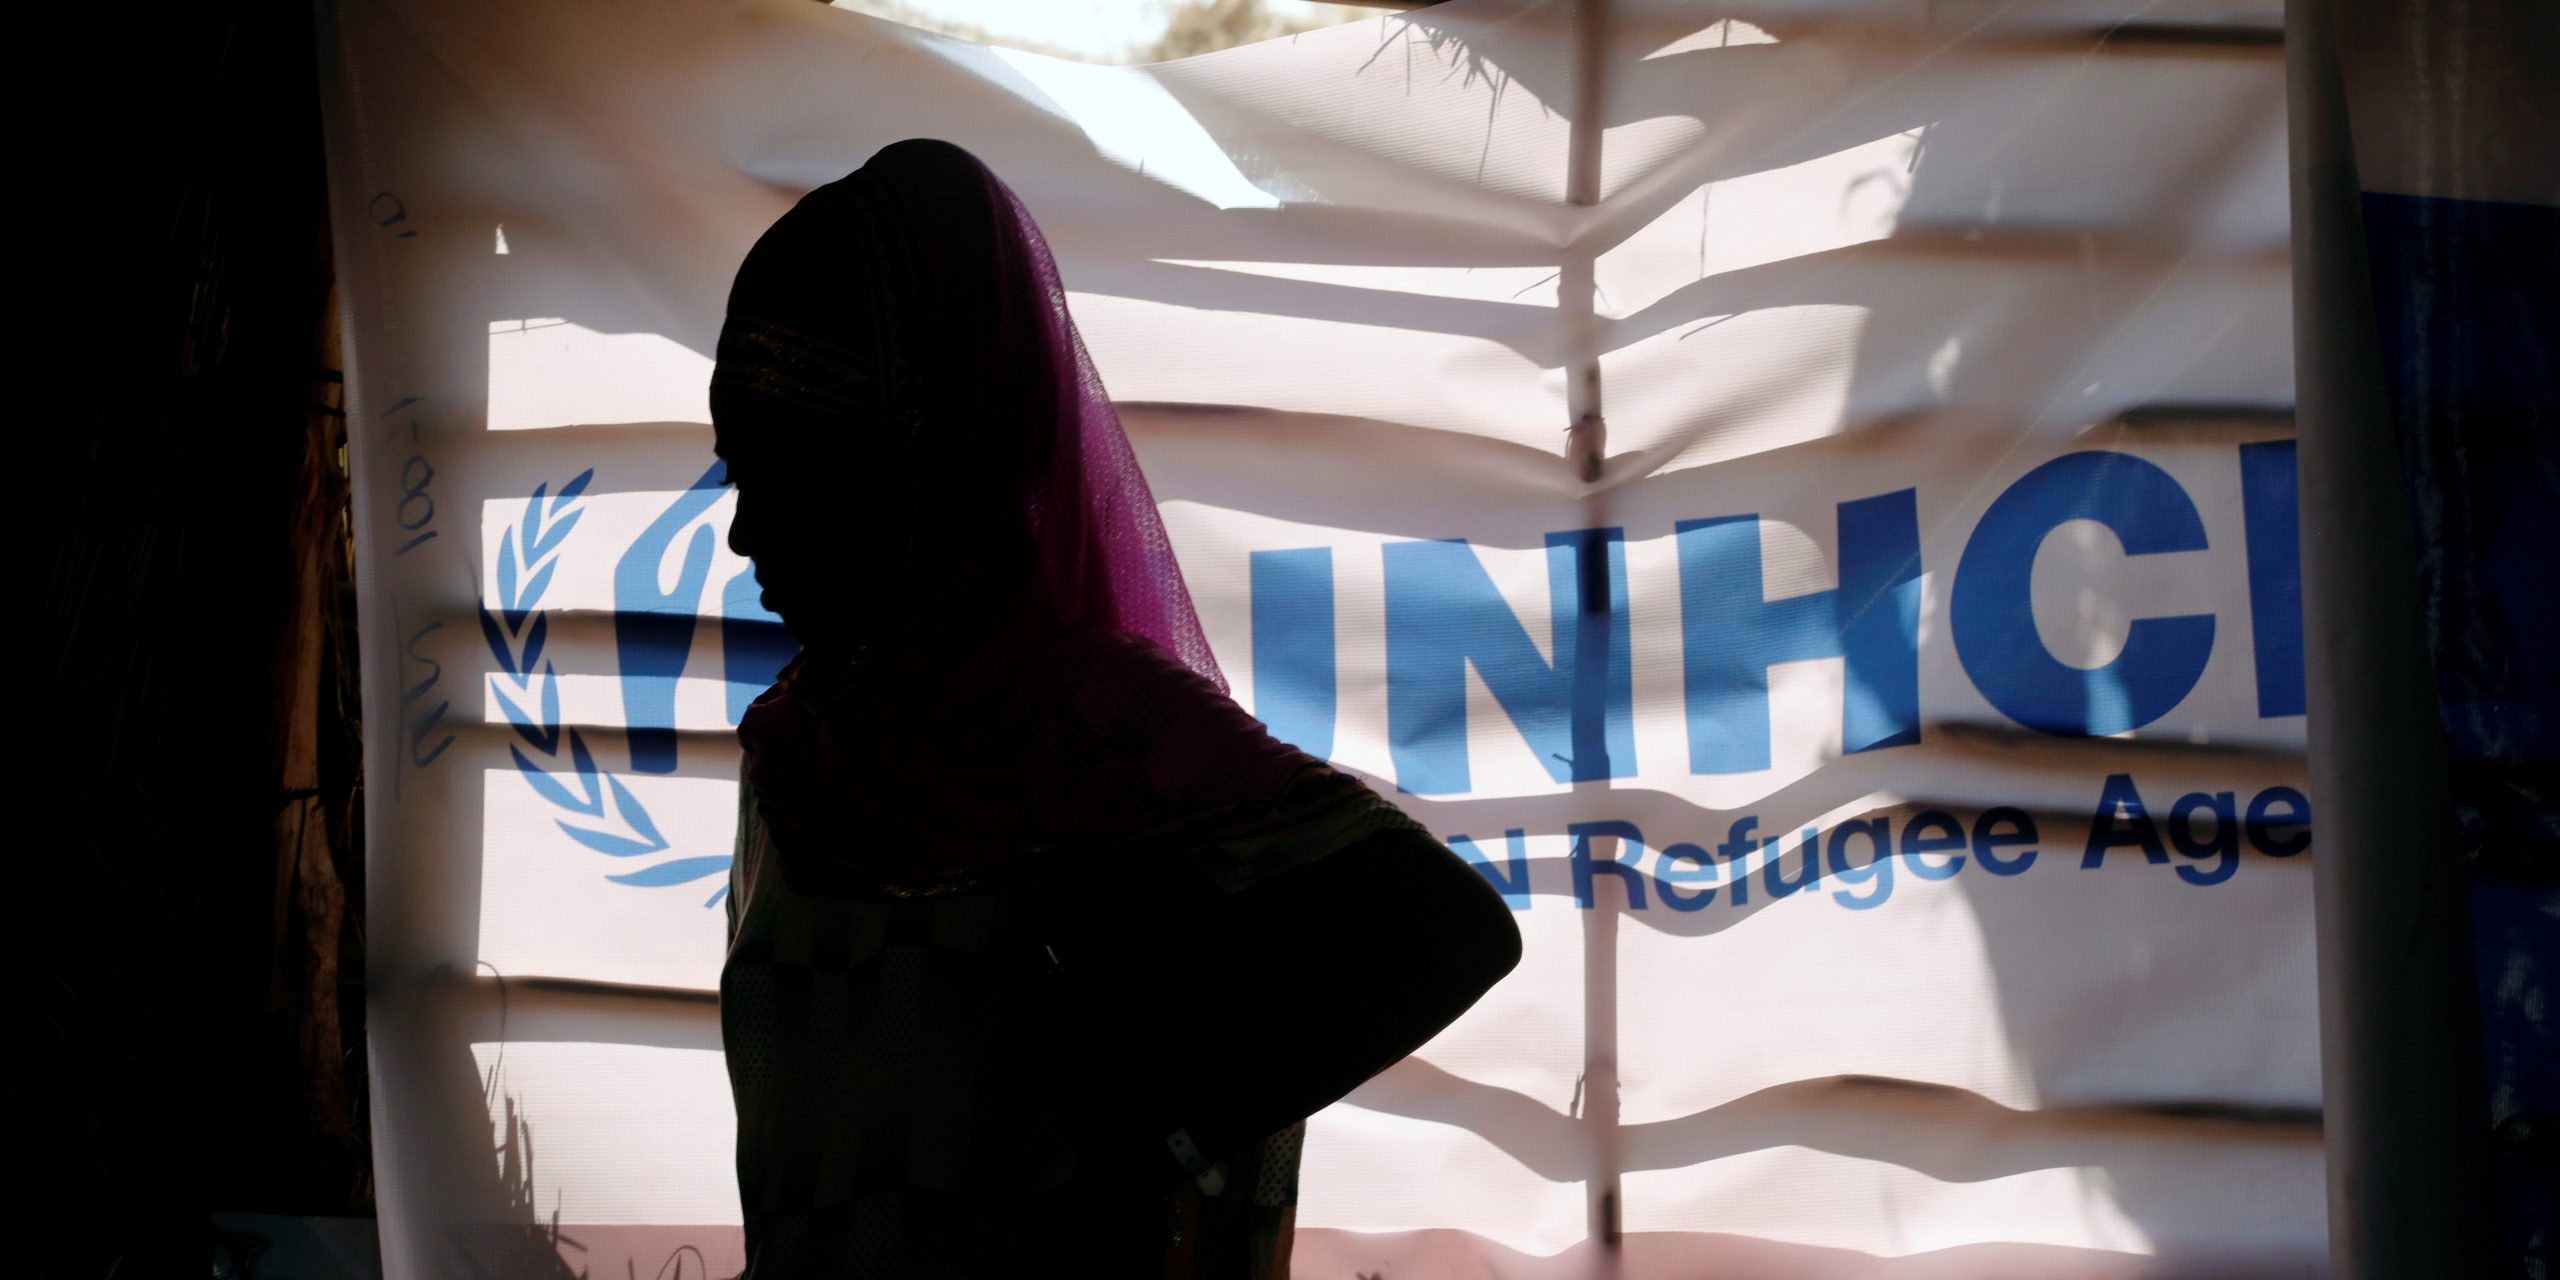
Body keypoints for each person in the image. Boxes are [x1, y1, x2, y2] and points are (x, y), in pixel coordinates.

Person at [712, 138, 1521, 1278]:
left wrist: (1147, 1137)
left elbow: (1442, 933)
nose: (747, 530)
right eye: (740, 475)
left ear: (919, 460)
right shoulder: (801, 755)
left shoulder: (1096, 728)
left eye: (792, 473)